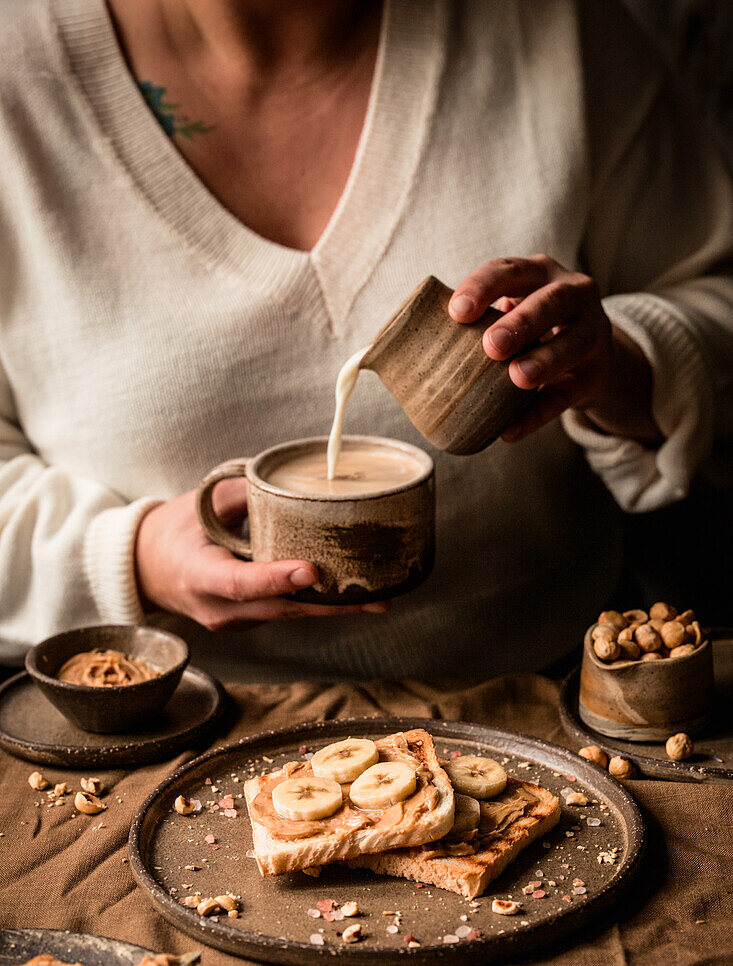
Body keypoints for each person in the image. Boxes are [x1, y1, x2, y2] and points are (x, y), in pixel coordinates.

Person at [0, 0, 731, 682]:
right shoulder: (17, 70)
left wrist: (622, 365)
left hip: (551, 701)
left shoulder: (555, 34)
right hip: (165, 732)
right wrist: (132, 558)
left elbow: (713, 299)